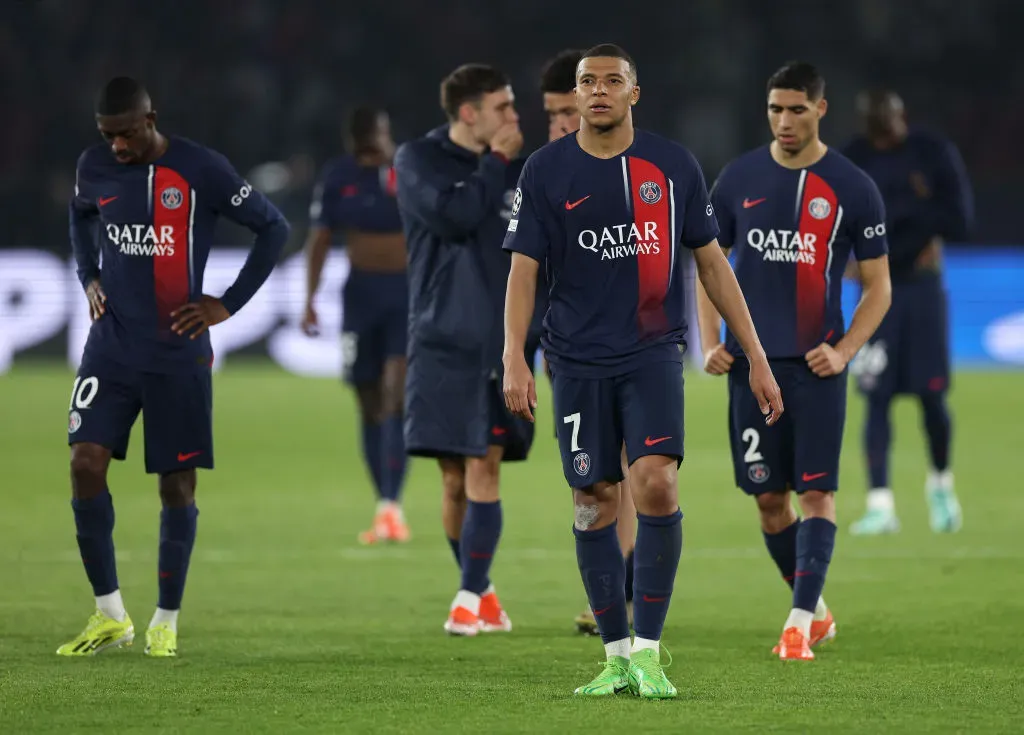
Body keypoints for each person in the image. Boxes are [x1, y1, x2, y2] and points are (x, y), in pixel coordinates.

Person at [502, 44, 783, 698]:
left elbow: (712, 265)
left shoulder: (671, 166)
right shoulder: (545, 172)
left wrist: (757, 356)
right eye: (586, 82)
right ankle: (615, 652)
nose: (596, 92)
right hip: (573, 358)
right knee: (592, 498)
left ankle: (651, 649)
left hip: (652, 350)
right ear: (574, 94)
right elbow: (523, 271)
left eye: (610, 81)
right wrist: (514, 354)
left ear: (635, 92)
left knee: (655, 481)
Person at [61, 77, 289, 657]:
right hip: (110, 349)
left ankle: (165, 618)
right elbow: (80, 213)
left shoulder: (201, 169)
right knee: (85, 465)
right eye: (107, 135)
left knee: (175, 486)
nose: (117, 146)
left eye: (126, 134)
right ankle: (109, 613)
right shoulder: (95, 166)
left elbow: (274, 228)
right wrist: (89, 274)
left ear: (151, 119)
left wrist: (225, 304)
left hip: (177, 354)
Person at [696, 61, 892, 661]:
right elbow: (706, 264)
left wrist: (845, 349)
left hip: (815, 369)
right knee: (769, 500)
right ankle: (816, 610)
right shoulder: (737, 178)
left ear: (820, 110)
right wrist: (709, 341)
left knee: (816, 496)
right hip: (751, 368)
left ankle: (798, 620)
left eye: (797, 110)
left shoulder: (852, 186)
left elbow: (879, 287)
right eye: (776, 109)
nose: (784, 121)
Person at [395, 63, 531, 636]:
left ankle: (467, 597)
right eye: (502, 107)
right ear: (470, 113)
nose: (514, 118)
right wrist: (496, 162)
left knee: (485, 466)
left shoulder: (524, 170)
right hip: (440, 341)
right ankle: (483, 590)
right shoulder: (418, 161)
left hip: (500, 347)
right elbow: (455, 217)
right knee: (452, 478)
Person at [537, 48, 640, 637]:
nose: (557, 122)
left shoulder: (624, 168)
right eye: (551, 111)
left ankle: (617, 586)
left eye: (562, 109)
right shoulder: (544, 172)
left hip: (626, 341)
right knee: (589, 471)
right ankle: (608, 586)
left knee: (623, 465)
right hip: (564, 343)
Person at [842, 90, 971, 535]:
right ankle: (881, 505)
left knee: (931, 396)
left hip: (920, 289)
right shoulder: (853, 158)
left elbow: (961, 219)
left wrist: (924, 225)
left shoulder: (932, 152)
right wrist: (844, 257)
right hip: (876, 292)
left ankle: (940, 485)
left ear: (902, 117)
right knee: (875, 395)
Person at [302, 106, 411, 544]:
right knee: (368, 401)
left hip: (405, 296)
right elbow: (321, 236)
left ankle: (391, 505)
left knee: (395, 392)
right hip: (359, 299)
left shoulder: (405, 169)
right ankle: (383, 499)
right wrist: (309, 299)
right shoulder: (338, 176)